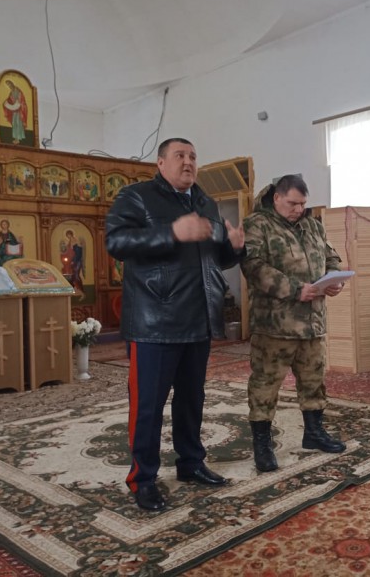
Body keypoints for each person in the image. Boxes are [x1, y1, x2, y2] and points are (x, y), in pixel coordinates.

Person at [105, 137, 246, 511]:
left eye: (193, 156)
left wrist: (233, 246)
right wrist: (171, 232)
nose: (188, 162)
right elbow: (117, 242)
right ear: (160, 163)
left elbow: (215, 259)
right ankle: (143, 480)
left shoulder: (205, 202)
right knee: (148, 405)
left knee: (191, 399)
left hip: (198, 319)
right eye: (180, 155)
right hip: (154, 320)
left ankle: (191, 463)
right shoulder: (136, 197)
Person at [241, 174, 346, 473]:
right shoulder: (256, 224)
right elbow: (254, 267)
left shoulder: (313, 225)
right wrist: (294, 289)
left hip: (313, 323)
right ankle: (262, 445)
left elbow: (331, 256)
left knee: (314, 381)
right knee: (265, 385)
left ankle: (314, 432)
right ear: (276, 198)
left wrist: (334, 278)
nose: (299, 209)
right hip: (275, 325)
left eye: (302, 204)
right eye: (292, 203)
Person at [2, 79, 27, 144]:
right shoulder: (11, 92)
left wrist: (16, 104)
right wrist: (5, 103)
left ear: (12, 84)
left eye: (9, 84)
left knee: (18, 123)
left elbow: (20, 100)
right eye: (8, 85)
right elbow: (9, 100)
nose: (9, 86)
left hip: (19, 110)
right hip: (15, 111)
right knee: (14, 123)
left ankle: (18, 138)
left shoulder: (17, 91)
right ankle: (16, 138)